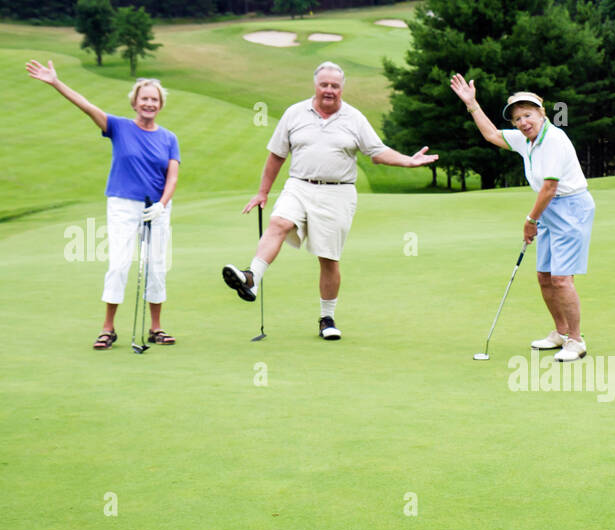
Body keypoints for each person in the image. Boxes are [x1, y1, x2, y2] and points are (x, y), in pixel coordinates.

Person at [223, 62, 438, 341]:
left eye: (334, 86)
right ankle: (252, 278)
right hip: (299, 185)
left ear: (341, 89)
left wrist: (408, 161)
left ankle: (327, 318)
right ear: (315, 85)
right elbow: (277, 154)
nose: (329, 90)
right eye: (324, 84)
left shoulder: (354, 118)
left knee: (328, 258)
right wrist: (263, 192)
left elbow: (376, 151)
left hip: (337, 192)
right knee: (278, 222)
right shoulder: (294, 113)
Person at [26, 61, 180, 349]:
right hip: (123, 204)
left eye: (154, 99)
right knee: (119, 263)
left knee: (157, 266)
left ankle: (156, 328)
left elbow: (172, 177)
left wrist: (162, 204)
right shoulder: (118, 127)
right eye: (144, 98)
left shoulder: (169, 138)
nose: (149, 103)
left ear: (160, 105)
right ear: (135, 102)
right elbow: (86, 106)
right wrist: (56, 83)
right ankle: (108, 328)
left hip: (157, 209)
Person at [449, 74, 596, 362]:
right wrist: (472, 104)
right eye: (517, 118)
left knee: (562, 279)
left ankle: (576, 341)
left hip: (571, 208)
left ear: (542, 113)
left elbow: (550, 187)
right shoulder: (526, 140)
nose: (522, 122)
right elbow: (492, 135)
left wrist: (530, 219)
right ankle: (560, 332)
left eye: (528, 114)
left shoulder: (554, 139)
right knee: (544, 276)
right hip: (551, 210)